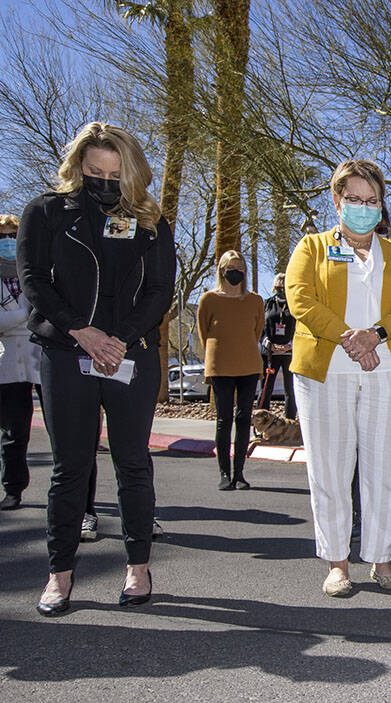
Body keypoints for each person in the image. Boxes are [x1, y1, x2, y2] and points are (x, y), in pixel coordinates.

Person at [18, 122, 176, 615]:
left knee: (133, 462)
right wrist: (80, 332)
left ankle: (138, 568)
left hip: (131, 352)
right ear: (78, 167)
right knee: (70, 468)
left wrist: (121, 338)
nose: (105, 181)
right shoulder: (44, 212)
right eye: (94, 171)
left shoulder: (150, 221)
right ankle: (59, 574)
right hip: (67, 352)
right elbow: (34, 283)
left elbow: (158, 292)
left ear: (131, 172)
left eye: (115, 173)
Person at [286, 159, 391, 597]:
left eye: (372, 201)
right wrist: (348, 338)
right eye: (354, 200)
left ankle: (382, 559)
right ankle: (337, 563)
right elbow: (301, 299)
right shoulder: (311, 247)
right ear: (337, 200)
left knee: (385, 470)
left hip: (387, 372)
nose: (363, 208)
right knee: (330, 470)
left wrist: (375, 335)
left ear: (382, 206)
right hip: (326, 372)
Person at [197, 251, 264, 490]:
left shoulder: (255, 300)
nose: (236, 271)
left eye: (240, 267)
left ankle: (240, 474)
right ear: (222, 271)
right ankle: (224, 473)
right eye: (231, 267)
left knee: (243, 418)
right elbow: (204, 332)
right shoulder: (208, 299)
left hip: (248, 364)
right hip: (220, 365)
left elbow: (257, 331)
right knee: (224, 419)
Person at [0, 214, 39, 511]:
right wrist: (28, 316)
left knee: (63, 430)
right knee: (14, 433)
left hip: (42, 360)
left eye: (13, 236)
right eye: (3, 237)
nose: (8, 242)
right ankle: (12, 489)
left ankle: (73, 497)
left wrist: (11, 323)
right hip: (8, 366)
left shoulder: (34, 272)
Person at [259, 272, 297, 418]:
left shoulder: (293, 304)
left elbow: (300, 326)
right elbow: (260, 326)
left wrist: (290, 344)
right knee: (266, 388)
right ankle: (261, 423)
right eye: (278, 285)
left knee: (290, 389)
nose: (281, 288)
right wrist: (268, 344)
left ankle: (290, 423)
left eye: (284, 284)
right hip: (270, 353)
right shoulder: (267, 303)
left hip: (289, 353)